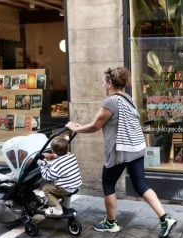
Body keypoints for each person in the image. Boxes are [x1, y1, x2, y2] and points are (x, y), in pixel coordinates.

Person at [66, 67, 177, 238]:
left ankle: (111, 223)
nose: (103, 85)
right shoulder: (128, 99)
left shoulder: (111, 101)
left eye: (104, 81)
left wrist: (74, 128)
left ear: (110, 83)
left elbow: (96, 125)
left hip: (121, 151)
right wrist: (80, 128)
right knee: (141, 186)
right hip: (137, 148)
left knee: (108, 184)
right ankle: (165, 219)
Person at [39, 137, 82, 216]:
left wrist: (43, 165)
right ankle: (64, 203)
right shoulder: (71, 155)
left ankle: (57, 208)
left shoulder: (56, 164)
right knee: (58, 184)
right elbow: (61, 157)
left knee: (46, 188)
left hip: (66, 188)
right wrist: (52, 156)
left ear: (53, 150)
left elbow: (47, 176)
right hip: (76, 185)